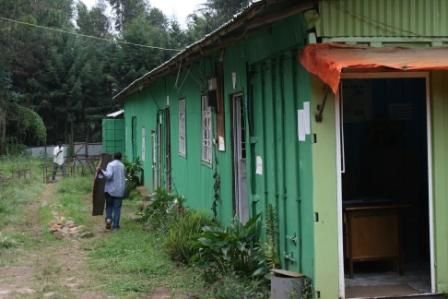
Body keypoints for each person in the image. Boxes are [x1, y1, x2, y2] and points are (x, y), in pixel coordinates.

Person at [97, 152, 126, 231]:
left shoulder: (111, 165)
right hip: (119, 191)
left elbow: (109, 175)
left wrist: (101, 171)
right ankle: (115, 226)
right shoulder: (122, 166)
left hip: (110, 191)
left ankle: (109, 220)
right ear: (121, 157)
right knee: (117, 208)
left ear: (113, 157)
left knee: (109, 206)